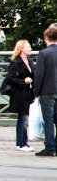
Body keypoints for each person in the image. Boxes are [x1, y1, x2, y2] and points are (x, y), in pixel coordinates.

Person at [33, 24, 57, 157]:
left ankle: (50, 148)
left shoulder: (44, 53)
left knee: (48, 121)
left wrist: (36, 92)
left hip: (47, 91)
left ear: (46, 37)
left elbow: (39, 74)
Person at [7, 40, 35, 152]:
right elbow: (10, 78)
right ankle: (23, 143)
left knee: (22, 118)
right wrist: (23, 81)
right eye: (28, 47)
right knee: (23, 118)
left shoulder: (29, 62)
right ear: (22, 49)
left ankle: (20, 143)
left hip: (28, 93)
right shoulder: (16, 62)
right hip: (20, 94)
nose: (30, 49)